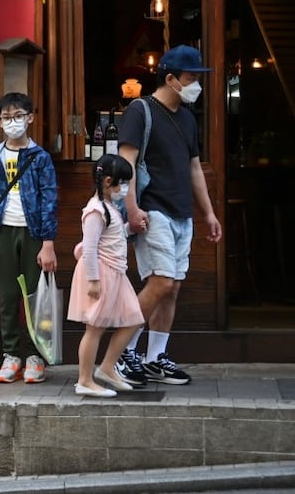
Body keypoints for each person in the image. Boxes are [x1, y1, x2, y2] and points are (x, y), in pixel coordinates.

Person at [116, 45, 222, 385]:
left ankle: (154, 358)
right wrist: (132, 208)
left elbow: (194, 168)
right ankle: (122, 352)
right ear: (172, 79)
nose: (197, 85)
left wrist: (208, 213)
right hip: (152, 209)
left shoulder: (188, 118)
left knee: (172, 287)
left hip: (181, 212)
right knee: (160, 282)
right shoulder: (140, 111)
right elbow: (126, 163)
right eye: (192, 79)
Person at [0, 92, 59, 384]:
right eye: (7, 117)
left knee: (36, 297)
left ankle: (37, 356)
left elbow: (49, 199)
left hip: (34, 232)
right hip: (3, 232)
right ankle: (12, 356)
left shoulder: (40, 158)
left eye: (19, 116)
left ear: (30, 118)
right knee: (8, 297)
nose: (13, 122)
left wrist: (48, 243)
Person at [68, 155, 146, 398]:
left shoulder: (109, 208)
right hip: (101, 274)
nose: (125, 189)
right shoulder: (95, 210)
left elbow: (111, 235)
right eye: (123, 184)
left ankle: (107, 368)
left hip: (116, 274)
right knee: (95, 328)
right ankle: (85, 380)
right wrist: (93, 280)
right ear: (109, 181)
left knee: (134, 319)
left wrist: (129, 229)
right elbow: (90, 247)